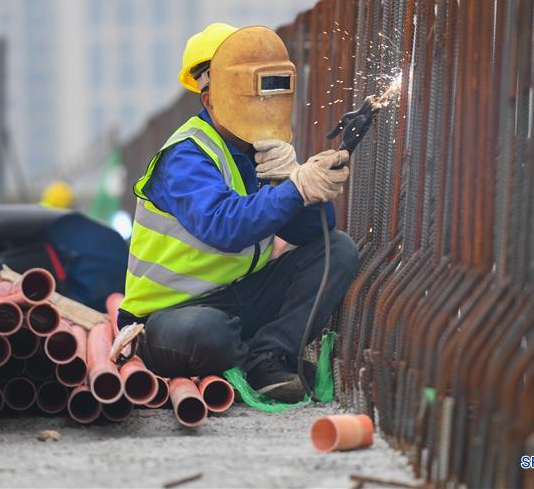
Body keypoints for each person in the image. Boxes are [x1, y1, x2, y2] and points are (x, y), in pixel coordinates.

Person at [117, 23, 359, 402]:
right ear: (209, 97)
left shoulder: (257, 150)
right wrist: (296, 189)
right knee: (209, 333)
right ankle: (260, 358)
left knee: (339, 249)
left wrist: (292, 177)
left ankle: (268, 357)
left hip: (238, 296)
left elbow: (316, 231)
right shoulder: (185, 154)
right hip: (169, 317)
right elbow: (224, 225)